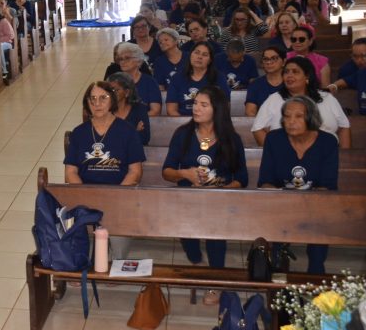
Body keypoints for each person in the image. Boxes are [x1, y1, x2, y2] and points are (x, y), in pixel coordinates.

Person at [162, 87, 246, 303]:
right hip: (187, 200)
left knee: (215, 234)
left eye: (203, 104)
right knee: (192, 247)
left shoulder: (231, 139)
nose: (196, 108)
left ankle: (215, 283)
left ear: (216, 109)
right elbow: (167, 171)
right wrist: (184, 173)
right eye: (195, 103)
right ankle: (198, 263)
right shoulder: (183, 134)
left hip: (219, 202)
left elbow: (242, 177)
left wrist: (225, 191)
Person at [257, 95, 339, 274]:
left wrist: (305, 207)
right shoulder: (274, 139)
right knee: (276, 231)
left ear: (310, 118)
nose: (291, 121)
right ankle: (278, 274)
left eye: (298, 116)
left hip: (317, 206)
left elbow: (328, 185)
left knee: (321, 221)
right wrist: (284, 203)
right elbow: (266, 181)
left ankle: (316, 275)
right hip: (281, 204)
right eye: (287, 116)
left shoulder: (328, 142)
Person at [252, 57, 351, 147]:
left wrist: (345, 158)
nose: (289, 75)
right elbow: (257, 128)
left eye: (295, 72)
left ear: (307, 77)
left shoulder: (327, 98)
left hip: (326, 155)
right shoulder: (274, 99)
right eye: (286, 72)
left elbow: (344, 127)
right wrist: (274, 153)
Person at [64, 82, 144, 186]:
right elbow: (71, 172)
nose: (97, 103)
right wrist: (83, 195)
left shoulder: (128, 131)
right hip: (84, 195)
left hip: (119, 194)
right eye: (93, 98)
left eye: (103, 98)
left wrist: (117, 195)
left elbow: (135, 172)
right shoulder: (79, 133)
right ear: (87, 103)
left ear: (112, 100)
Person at [165, 41, 229, 117]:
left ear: (210, 60)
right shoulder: (177, 78)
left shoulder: (219, 78)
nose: (199, 57)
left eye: (205, 55)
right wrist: (186, 126)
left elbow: (224, 109)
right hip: (182, 123)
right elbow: (171, 110)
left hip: (211, 124)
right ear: (190, 55)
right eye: (196, 53)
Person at [114, 42, 161, 116]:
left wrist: (137, 120)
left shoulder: (150, 82)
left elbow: (155, 111)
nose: (123, 62)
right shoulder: (114, 82)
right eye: (120, 59)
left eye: (127, 58)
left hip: (145, 123)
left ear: (138, 60)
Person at [107, 72, 150, 145]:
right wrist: (134, 133)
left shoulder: (139, 109)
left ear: (127, 92)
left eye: (116, 90)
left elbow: (144, 138)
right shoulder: (105, 111)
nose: (111, 93)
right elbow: (103, 140)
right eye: (109, 90)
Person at [245, 47, 286, 116]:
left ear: (284, 62)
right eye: (265, 59)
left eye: (274, 58)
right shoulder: (255, 85)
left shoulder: (291, 83)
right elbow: (250, 112)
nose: (269, 62)